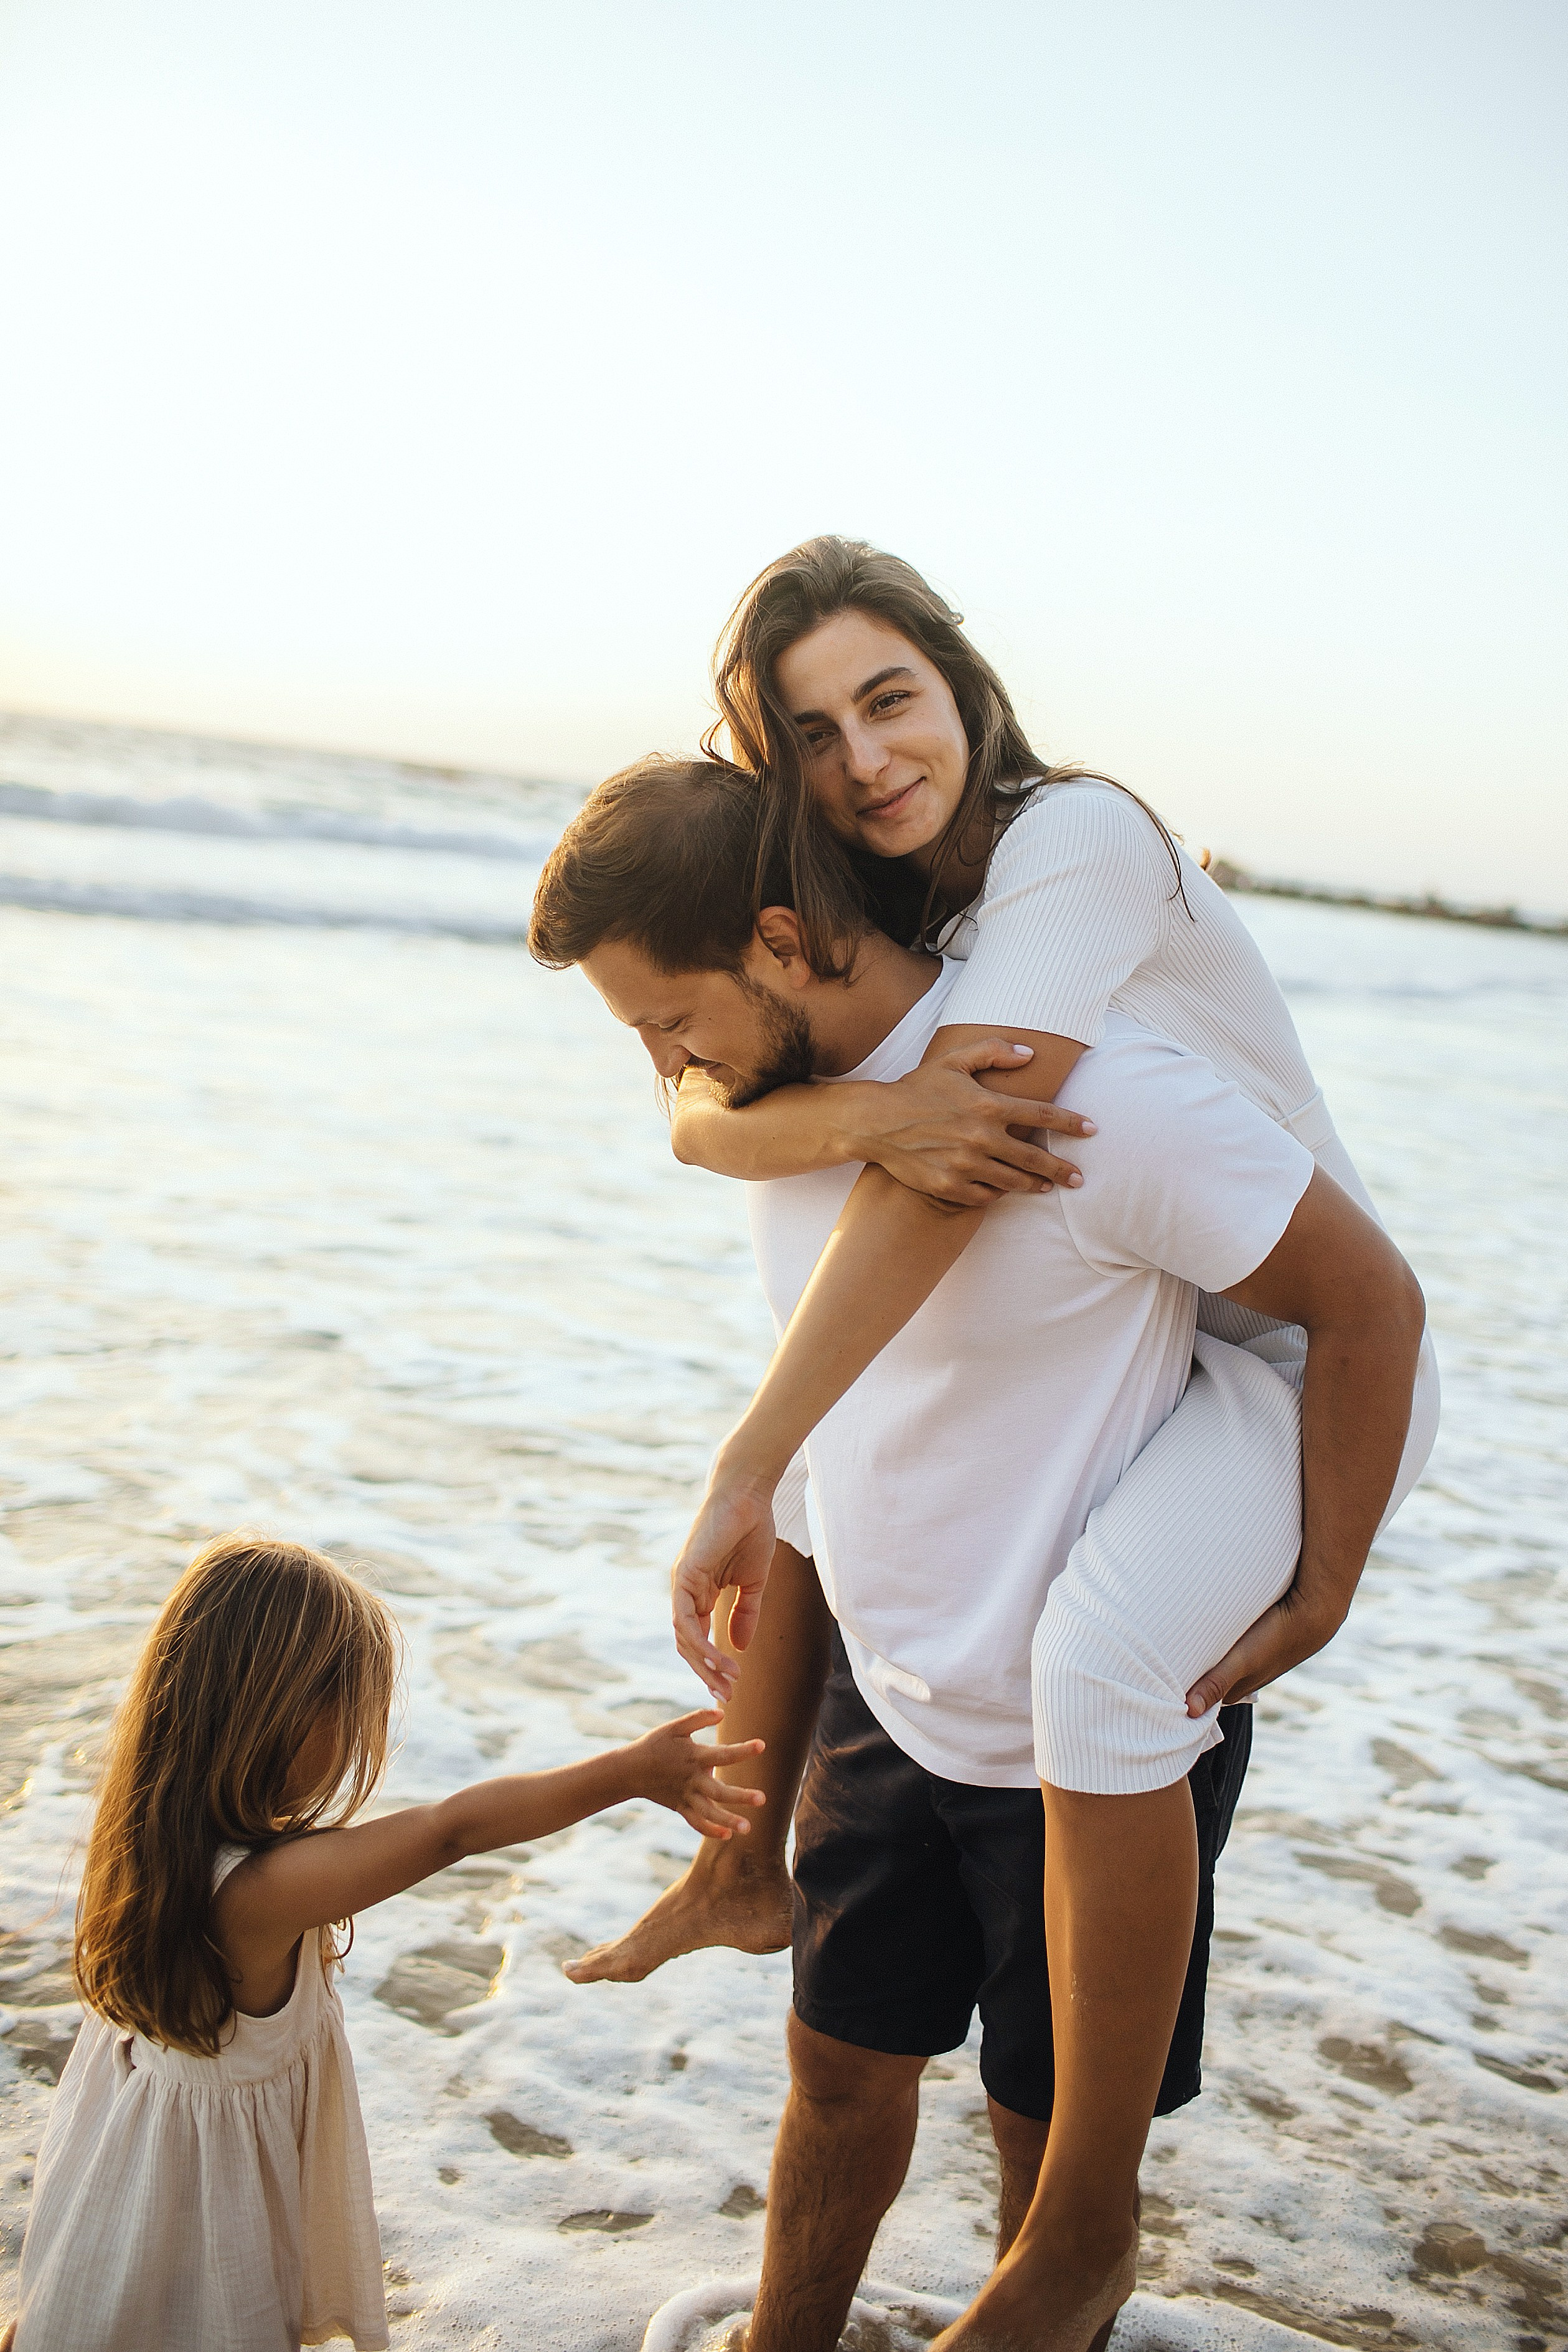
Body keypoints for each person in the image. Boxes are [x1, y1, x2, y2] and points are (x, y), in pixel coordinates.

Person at [528, 758, 1426, 2352]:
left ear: (786, 940)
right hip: (891, 1700)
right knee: (836, 2073)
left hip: (1092, 1743)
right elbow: (842, 1417)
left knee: (1041, 2140)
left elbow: (1370, 1307)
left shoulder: (1101, 1100)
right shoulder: (785, 1116)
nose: (665, 1067)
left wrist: (1324, 1575)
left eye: (669, 1020)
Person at [4, 1533, 764, 2352]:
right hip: (200, 2208)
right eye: (351, 1708)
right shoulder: (262, 1892)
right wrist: (625, 1772)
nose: (361, 1732)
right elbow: (451, 1831)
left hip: (116, 2176)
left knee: (92, 2310)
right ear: (285, 1713)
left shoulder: (146, 1839)